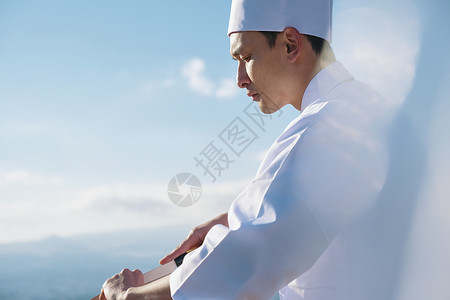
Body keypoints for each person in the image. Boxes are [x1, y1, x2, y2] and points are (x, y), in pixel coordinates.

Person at [99, 0, 390, 299]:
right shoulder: (366, 106)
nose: (239, 79)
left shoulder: (331, 126)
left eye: (247, 56)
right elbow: (309, 210)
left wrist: (128, 296)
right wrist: (234, 219)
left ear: (291, 44)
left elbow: (247, 264)